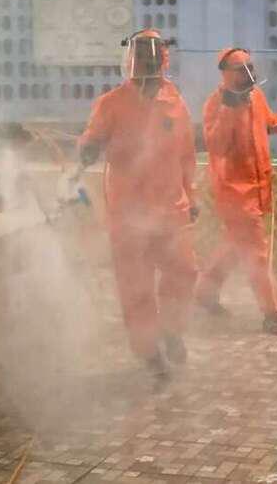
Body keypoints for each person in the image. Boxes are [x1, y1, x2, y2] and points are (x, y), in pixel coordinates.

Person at [78, 29, 199, 379]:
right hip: (128, 214)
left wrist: (191, 196)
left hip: (171, 208)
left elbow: (186, 155)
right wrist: (88, 149)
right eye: (141, 57)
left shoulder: (174, 100)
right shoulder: (112, 103)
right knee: (136, 286)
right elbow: (91, 139)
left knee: (185, 271)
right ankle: (149, 352)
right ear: (131, 60)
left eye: (153, 57)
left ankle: (171, 331)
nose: (147, 64)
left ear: (163, 60)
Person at [196, 47, 277, 335]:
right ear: (227, 74)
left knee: (234, 246)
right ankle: (275, 313)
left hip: (257, 188)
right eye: (242, 70)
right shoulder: (215, 105)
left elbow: (269, 124)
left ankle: (203, 293)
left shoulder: (256, 97)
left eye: (250, 67)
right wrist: (229, 109)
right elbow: (216, 145)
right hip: (234, 194)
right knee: (256, 254)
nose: (249, 74)